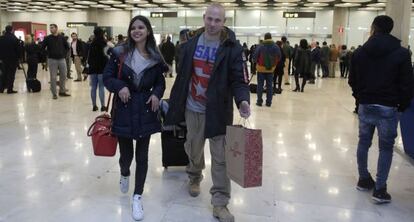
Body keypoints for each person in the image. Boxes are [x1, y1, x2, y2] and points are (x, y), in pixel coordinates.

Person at [165, 3, 250, 222]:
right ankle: (194, 175)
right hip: (192, 108)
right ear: (204, 18)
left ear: (224, 22)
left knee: (221, 158)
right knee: (193, 148)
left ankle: (220, 202)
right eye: (209, 19)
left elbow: (239, 79)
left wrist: (243, 100)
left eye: (217, 20)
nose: (213, 24)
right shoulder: (189, 45)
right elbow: (183, 77)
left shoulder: (232, 47)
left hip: (219, 111)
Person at [103, 15, 167, 221]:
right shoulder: (119, 53)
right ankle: (124, 173)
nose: (137, 31)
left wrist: (157, 94)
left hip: (146, 110)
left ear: (148, 31)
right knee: (126, 156)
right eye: (133, 28)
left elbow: (160, 82)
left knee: (142, 156)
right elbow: (107, 78)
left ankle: (137, 196)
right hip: (124, 109)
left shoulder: (155, 57)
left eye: (141, 27)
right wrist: (120, 86)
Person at [349, 15, 414, 204]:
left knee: (363, 142)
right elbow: (407, 84)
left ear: (373, 28)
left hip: (366, 104)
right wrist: (401, 105)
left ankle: (363, 179)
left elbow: (352, 79)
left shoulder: (360, 52)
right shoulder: (402, 54)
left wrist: (360, 97)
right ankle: (380, 189)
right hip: (389, 107)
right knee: (386, 148)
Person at [41, 24, 70, 99]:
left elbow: (67, 47)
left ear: (56, 28)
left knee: (63, 75)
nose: (51, 29)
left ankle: (62, 91)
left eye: (52, 28)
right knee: (53, 77)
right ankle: (54, 93)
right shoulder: (47, 38)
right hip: (52, 60)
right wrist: (48, 54)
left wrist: (64, 54)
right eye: (50, 28)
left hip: (61, 59)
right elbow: (42, 48)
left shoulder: (62, 37)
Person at [253, 32, 281, 107]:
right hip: (270, 69)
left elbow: (255, 56)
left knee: (260, 85)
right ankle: (268, 102)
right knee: (269, 86)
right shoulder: (275, 46)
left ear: (265, 38)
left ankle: (259, 102)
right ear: (271, 37)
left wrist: (256, 63)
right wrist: (274, 65)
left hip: (261, 69)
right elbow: (279, 56)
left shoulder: (260, 45)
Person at [86, 28, 109, 112]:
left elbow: (89, 57)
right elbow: (106, 56)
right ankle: (103, 106)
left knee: (93, 87)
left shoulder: (91, 43)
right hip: (102, 67)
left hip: (93, 67)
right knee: (101, 87)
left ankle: (94, 106)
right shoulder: (104, 43)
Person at [0, 25, 21, 94]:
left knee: (4, 74)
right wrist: (19, 57)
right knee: (11, 75)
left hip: (4, 59)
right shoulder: (14, 38)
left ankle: (1, 89)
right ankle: (10, 89)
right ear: (12, 30)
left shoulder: (1, 38)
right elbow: (18, 50)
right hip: (13, 59)